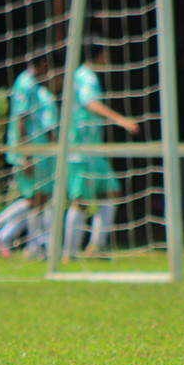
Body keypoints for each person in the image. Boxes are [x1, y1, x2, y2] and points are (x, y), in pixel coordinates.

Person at [62, 41, 140, 260]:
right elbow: (90, 103)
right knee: (81, 201)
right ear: (99, 54)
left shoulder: (84, 75)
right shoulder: (86, 75)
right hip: (82, 149)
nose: (108, 57)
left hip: (93, 150)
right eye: (105, 52)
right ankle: (68, 254)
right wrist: (120, 119)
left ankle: (96, 247)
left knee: (111, 192)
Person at [0, 52, 60, 259]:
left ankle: (31, 246)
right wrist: (25, 155)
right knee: (33, 199)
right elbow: (21, 120)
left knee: (37, 200)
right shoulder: (25, 84)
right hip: (27, 151)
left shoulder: (33, 85)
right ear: (43, 63)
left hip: (35, 151)